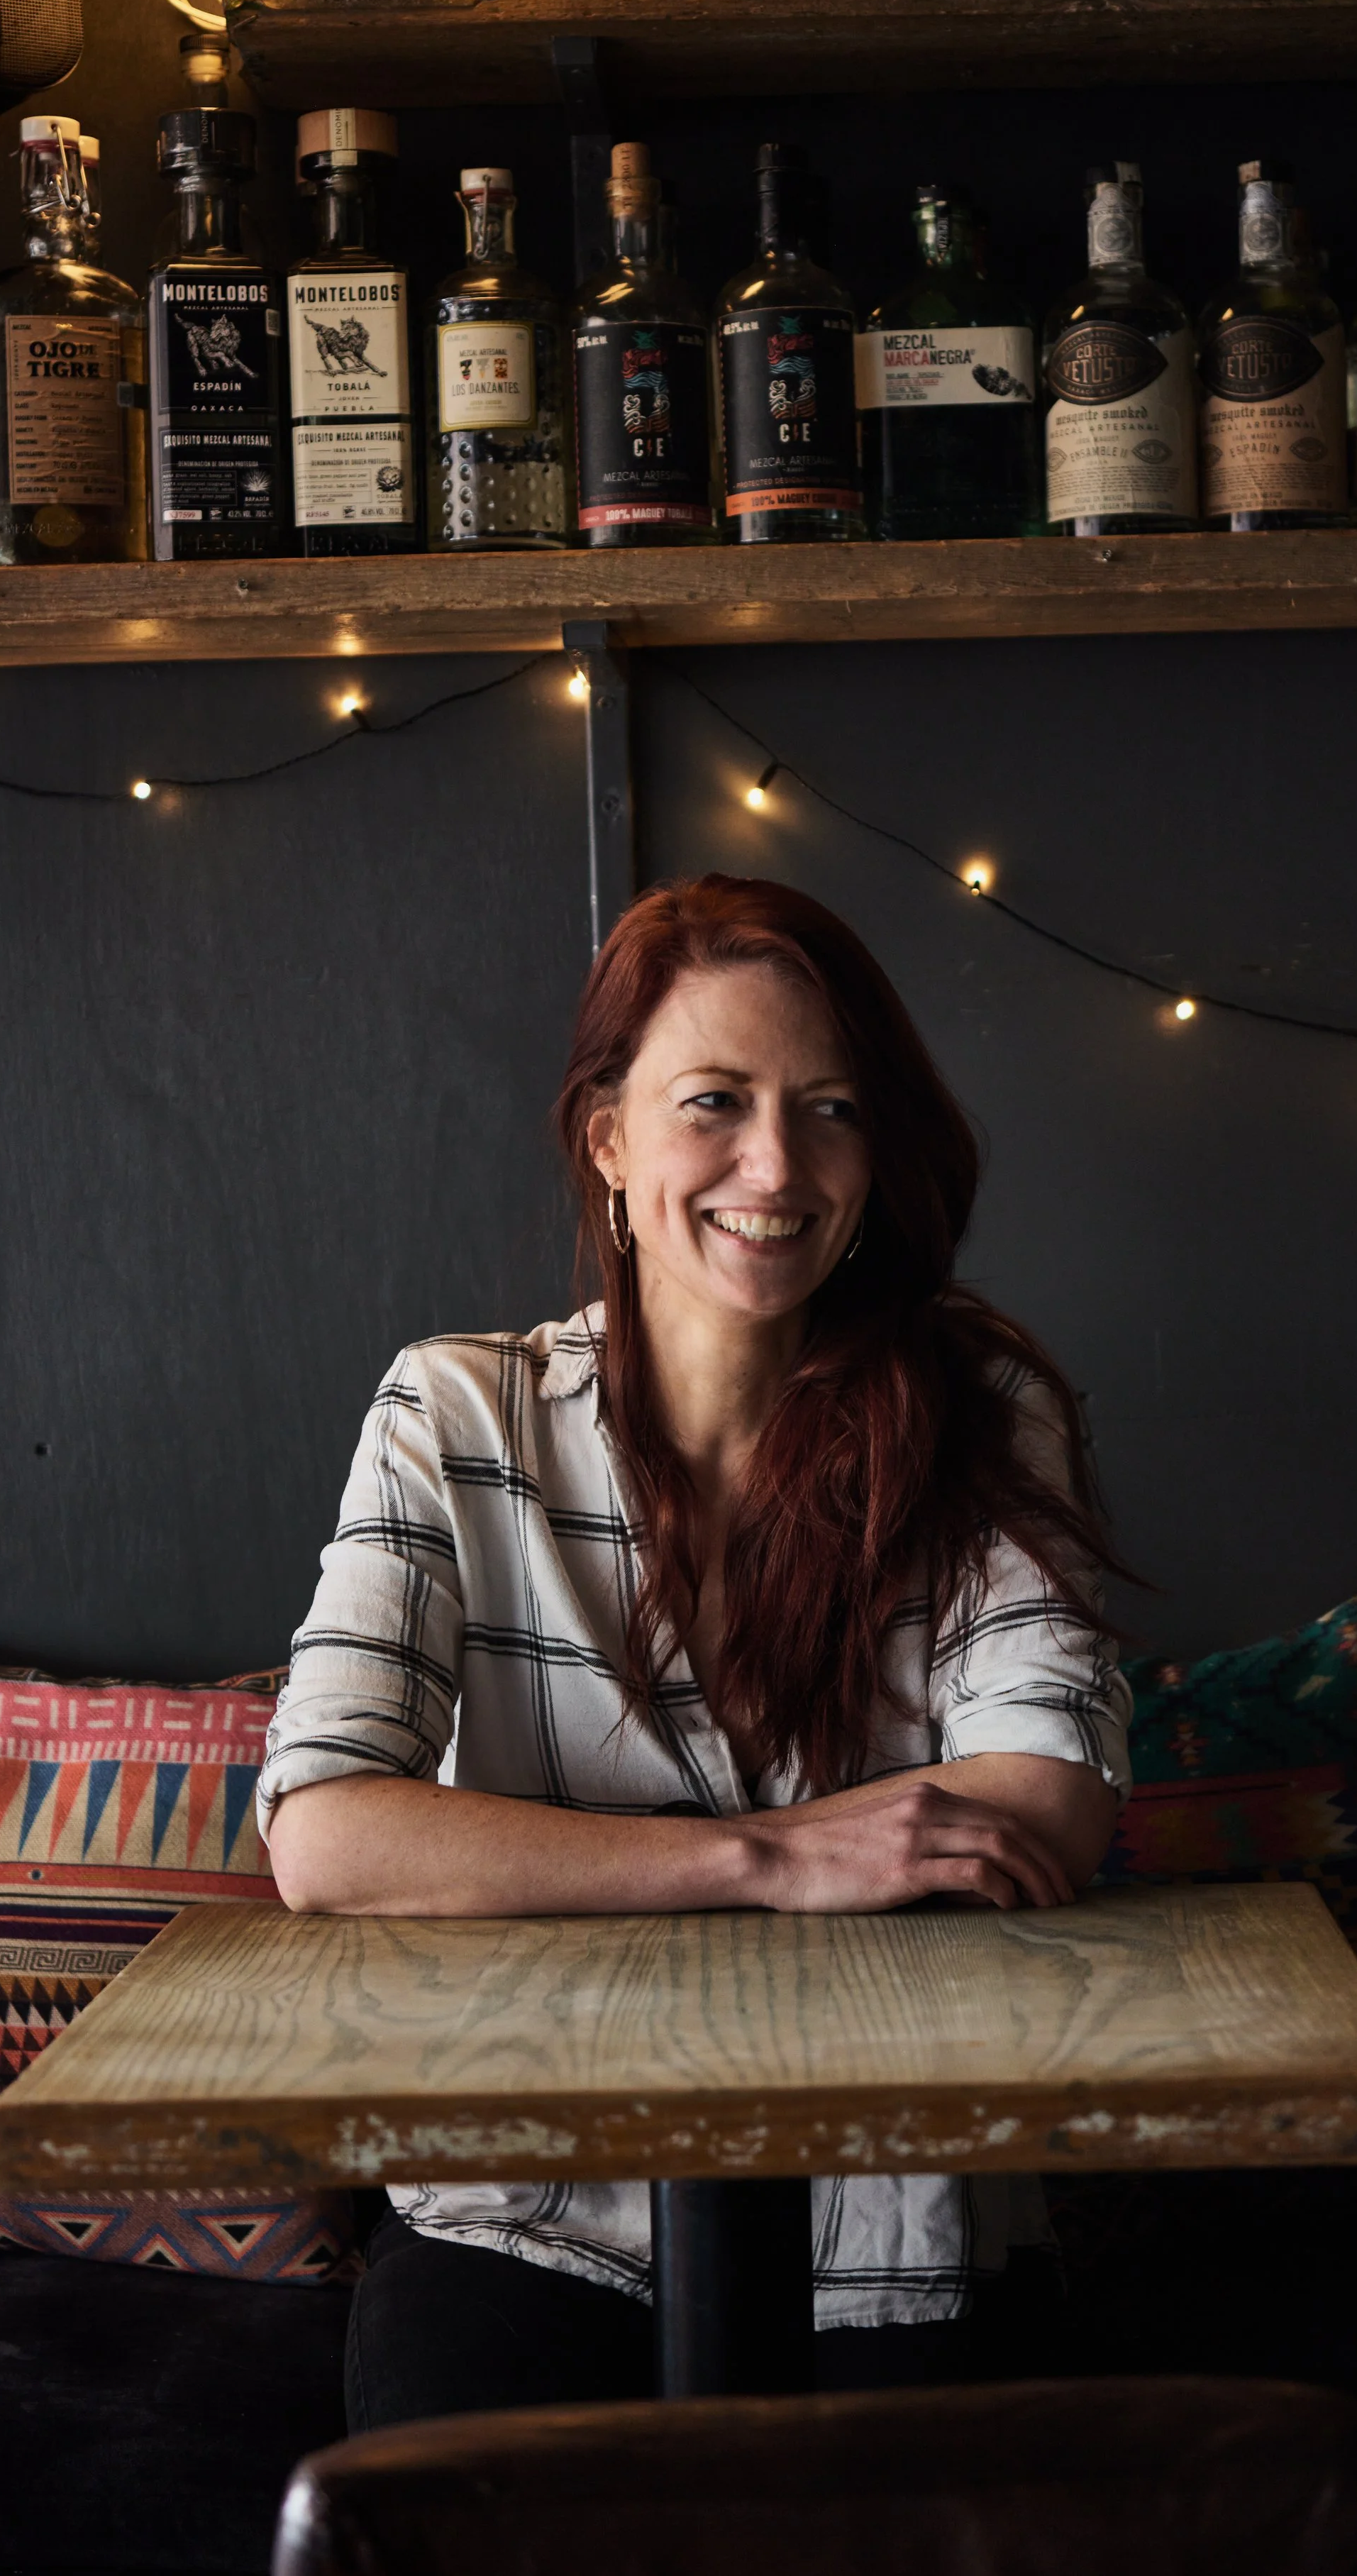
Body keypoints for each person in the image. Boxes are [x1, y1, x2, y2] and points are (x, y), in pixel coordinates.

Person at [260, 873, 1131, 2428]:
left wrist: (583, 1860)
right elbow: (327, 1829)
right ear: (606, 1136)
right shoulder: (456, 1414)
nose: (776, 1167)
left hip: (897, 2212)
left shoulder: (983, 1406)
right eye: (712, 1102)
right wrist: (771, 1859)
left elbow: (1048, 1799)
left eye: (833, 1109)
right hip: (523, 2201)